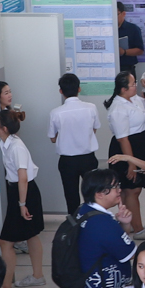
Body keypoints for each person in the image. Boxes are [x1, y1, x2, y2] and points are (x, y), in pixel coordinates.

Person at [0, 110, 47, 288]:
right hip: (18, 192)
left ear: (3, 128)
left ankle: (5, 287)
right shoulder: (6, 143)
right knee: (31, 235)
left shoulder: (16, 146)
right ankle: (38, 276)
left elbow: (23, 177)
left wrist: (22, 204)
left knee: (5, 241)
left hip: (24, 193)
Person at [105, 72, 145, 230]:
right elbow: (123, 139)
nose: (135, 86)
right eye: (133, 84)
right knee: (132, 190)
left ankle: (129, 224)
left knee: (131, 190)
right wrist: (131, 163)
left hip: (139, 146)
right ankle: (138, 228)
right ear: (123, 89)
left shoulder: (134, 99)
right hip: (127, 149)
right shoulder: (118, 108)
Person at [50, 74, 104, 212]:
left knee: (71, 196)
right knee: (92, 194)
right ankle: (93, 219)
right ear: (79, 89)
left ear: (61, 91)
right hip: (88, 158)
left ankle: (74, 222)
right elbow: (94, 129)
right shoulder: (91, 108)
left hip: (67, 161)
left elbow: (52, 138)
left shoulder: (56, 113)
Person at [115, 2, 145, 76]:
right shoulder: (107, 29)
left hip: (127, 69)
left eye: (116, 14)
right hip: (110, 68)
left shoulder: (133, 29)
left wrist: (124, 52)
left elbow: (140, 50)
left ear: (123, 14)